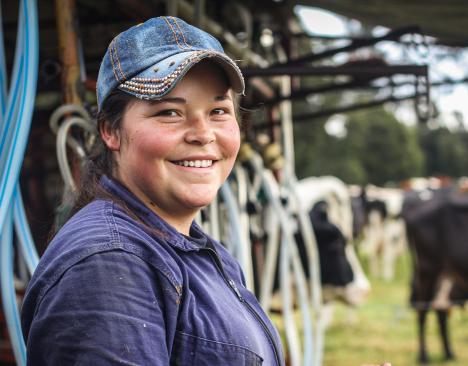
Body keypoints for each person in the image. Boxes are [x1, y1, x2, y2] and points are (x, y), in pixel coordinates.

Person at [21, 16, 283, 365]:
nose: (203, 134)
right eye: (170, 112)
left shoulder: (201, 252)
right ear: (110, 132)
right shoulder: (110, 263)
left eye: (218, 110)